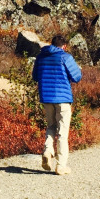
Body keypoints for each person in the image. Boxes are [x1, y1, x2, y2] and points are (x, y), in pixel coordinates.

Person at [31, 33, 83, 174]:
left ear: (52, 43)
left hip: (46, 98)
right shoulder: (65, 57)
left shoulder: (41, 57)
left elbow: (35, 76)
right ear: (64, 46)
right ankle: (61, 165)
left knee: (51, 126)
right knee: (63, 132)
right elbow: (77, 77)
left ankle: (48, 151)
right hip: (63, 99)